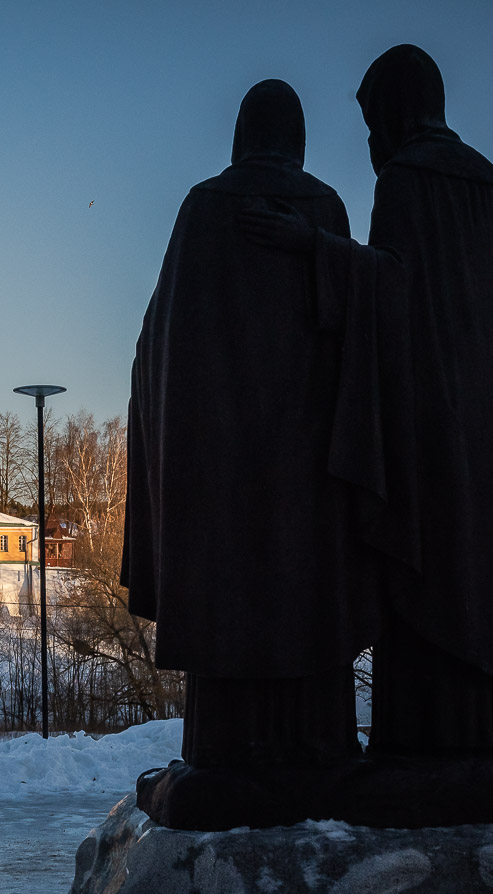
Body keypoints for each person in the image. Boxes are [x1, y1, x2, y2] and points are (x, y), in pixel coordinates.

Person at [240, 45, 493, 826]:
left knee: (431, 566)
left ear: (393, 107)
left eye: (369, 120)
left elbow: (394, 288)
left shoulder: (409, 178)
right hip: (491, 416)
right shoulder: (489, 181)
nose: (370, 140)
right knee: (482, 563)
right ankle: (491, 736)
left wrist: (312, 248)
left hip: (429, 417)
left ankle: (424, 740)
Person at [124, 79, 378, 831]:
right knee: (309, 598)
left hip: (221, 468)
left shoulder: (206, 207)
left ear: (240, 134)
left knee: (230, 599)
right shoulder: (324, 209)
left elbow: (159, 345)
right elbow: (359, 324)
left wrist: (177, 435)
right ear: (297, 139)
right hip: (310, 465)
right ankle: (318, 746)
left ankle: (225, 753)